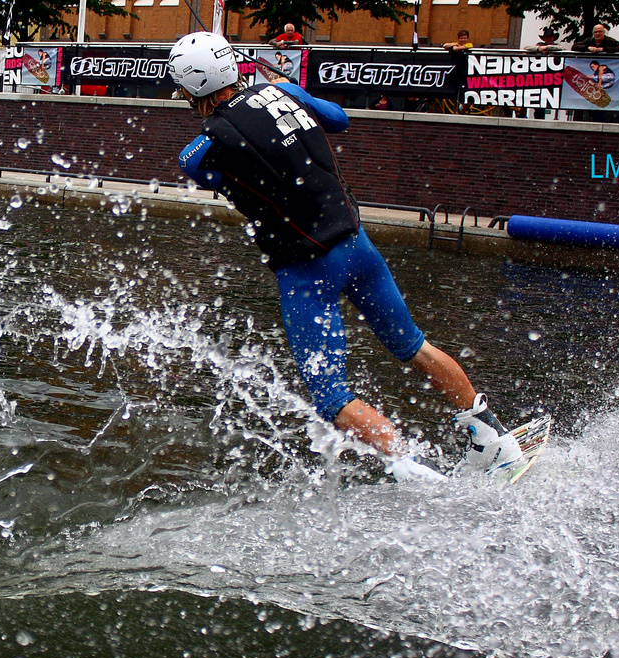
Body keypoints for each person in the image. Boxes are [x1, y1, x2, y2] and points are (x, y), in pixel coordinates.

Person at [166, 31, 522, 481]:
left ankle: (419, 475)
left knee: (332, 398)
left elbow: (198, 165)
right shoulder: (283, 90)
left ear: (193, 89)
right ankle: (496, 440)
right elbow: (338, 119)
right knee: (414, 347)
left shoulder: (206, 144)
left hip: (305, 271)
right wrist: (285, 93)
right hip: (358, 248)